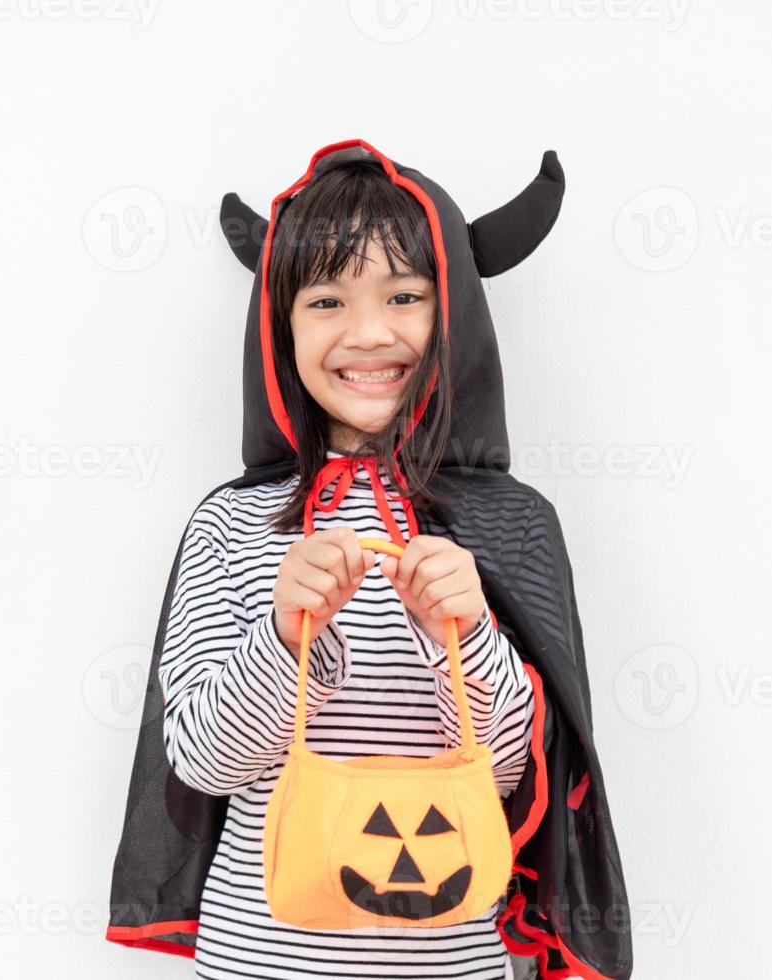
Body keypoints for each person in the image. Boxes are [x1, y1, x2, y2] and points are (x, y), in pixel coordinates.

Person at [157, 153, 534, 979]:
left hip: (452, 962)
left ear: (454, 313)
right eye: (327, 301)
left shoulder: (506, 525)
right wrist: (291, 641)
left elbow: (511, 769)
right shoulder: (232, 525)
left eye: (404, 296)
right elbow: (198, 762)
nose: (369, 333)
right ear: (281, 325)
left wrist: (462, 638)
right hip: (262, 962)